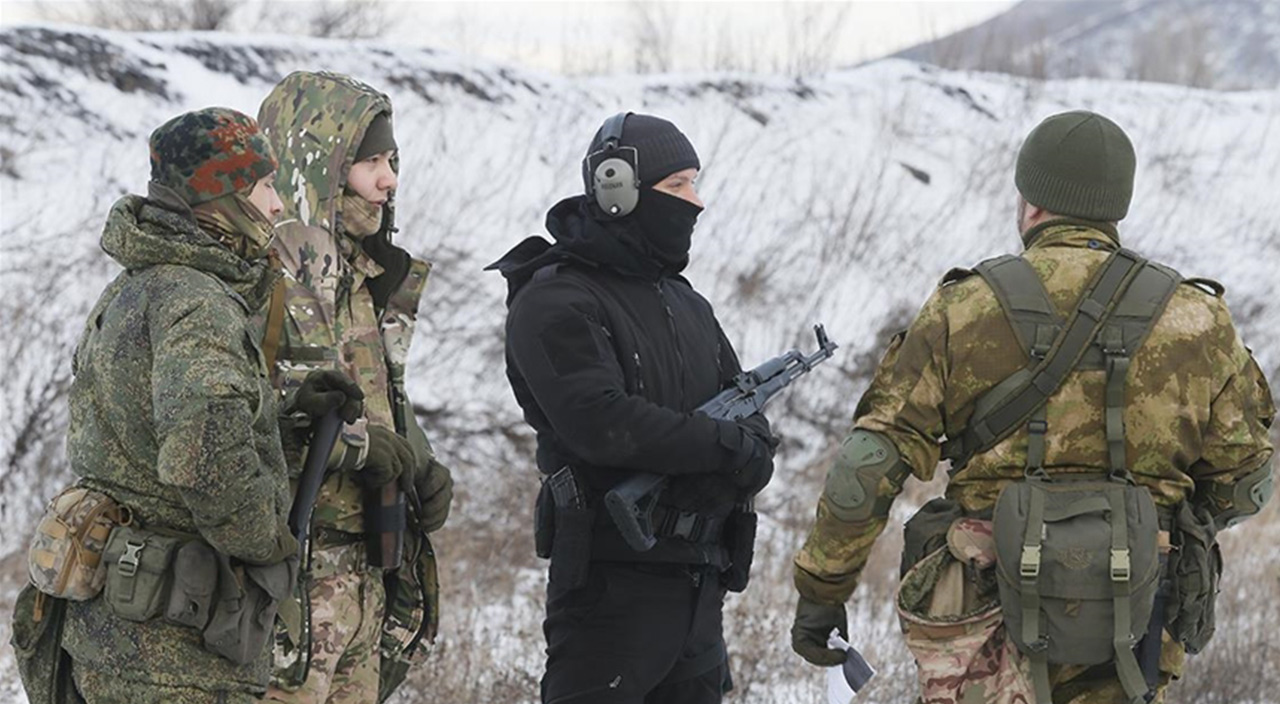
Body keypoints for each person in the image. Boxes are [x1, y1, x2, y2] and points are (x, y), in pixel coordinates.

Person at [790, 110, 1274, 703]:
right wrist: (1152, 523)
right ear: (1116, 202)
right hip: (1137, 618)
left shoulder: (960, 310)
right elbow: (1246, 481)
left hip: (982, 623)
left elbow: (866, 466)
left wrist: (822, 590)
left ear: (1032, 201)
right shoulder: (1196, 319)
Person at [34, 107, 351, 704]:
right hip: (176, 657)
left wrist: (281, 421)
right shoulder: (196, 300)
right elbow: (203, 457)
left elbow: (150, 440)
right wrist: (270, 545)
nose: (278, 205)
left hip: (115, 635)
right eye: (263, 186)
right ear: (220, 197)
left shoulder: (137, 285)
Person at [488, 112, 777, 704]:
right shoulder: (556, 296)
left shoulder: (686, 302)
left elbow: (744, 406)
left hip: (699, 588)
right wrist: (721, 449)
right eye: (677, 186)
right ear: (616, 188)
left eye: (696, 183)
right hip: (610, 593)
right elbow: (602, 422)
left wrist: (752, 453)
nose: (695, 203)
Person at [256, 70, 453, 704]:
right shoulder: (260, 279)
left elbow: (378, 396)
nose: (389, 179)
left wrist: (417, 461)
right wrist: (358, 450)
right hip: (285, 584)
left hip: (364, 572)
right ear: (320, 164)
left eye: (391, 159)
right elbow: (237, 421)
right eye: (370, 160)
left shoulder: (366, 281)